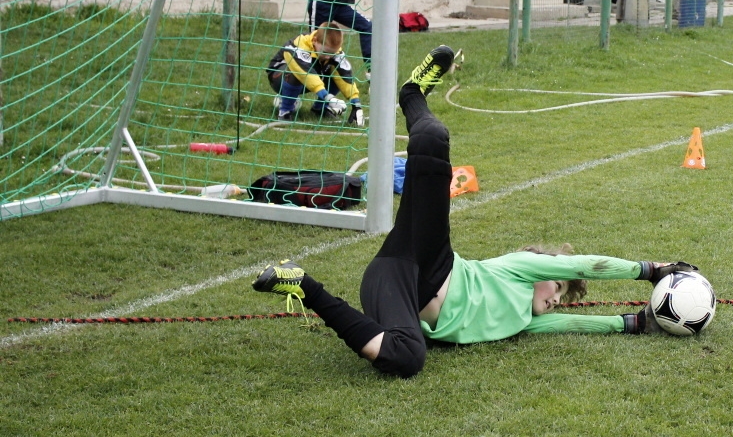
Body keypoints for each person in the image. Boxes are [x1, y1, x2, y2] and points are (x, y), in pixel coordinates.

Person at [253, 45, 694, 378]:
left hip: (394, 293)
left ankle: (302, 284)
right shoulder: (520, 269)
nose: (556, 297)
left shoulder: (523, 319)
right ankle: (413, 95)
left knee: (407, 359)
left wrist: (634, 323)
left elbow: (570, 324)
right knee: (435, 140)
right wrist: (650, 270)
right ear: (541, 266)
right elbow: (582, 264)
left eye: (560, 295)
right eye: (557, 285)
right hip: (427, 262)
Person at [266, 21, 363, 125]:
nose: (328, 56)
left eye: (332, 53)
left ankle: (320, 108)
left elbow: (345, 76)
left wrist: (356, 104)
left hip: (311, 79)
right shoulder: (298, 44)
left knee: (337, 71)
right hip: (279, 77)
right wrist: (329, 98)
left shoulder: (333, 52)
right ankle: (285, 110)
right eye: (325, 52)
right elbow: (305, 73)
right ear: (315, 40)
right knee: (295, 72)